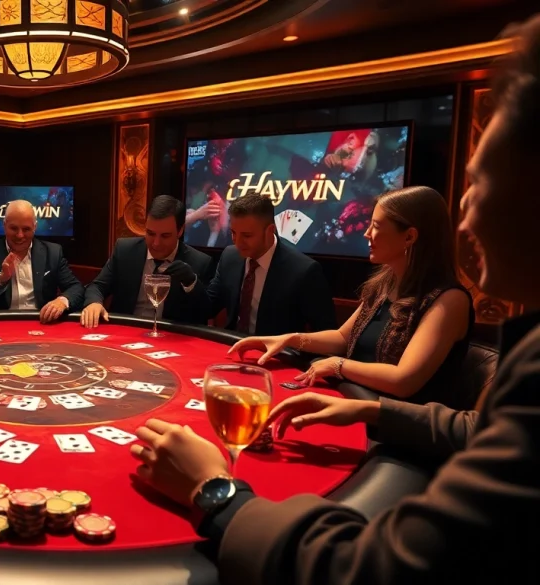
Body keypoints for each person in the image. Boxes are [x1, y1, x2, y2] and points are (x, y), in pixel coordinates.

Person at [129, 14, 540, 584]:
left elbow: (375, 566)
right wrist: (299, 346)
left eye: (480, 180)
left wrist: (217, 492)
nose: (465, 208)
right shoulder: (382, 287)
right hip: (372, 413)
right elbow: (348, 342)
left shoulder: (448, 301)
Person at [228, 186, 472, 407]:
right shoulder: (385, 283)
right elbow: (342, 338)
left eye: (376, 226)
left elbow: (403, 380)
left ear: (409, 237)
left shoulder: (449, 301)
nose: (366, 233)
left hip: (400, 430)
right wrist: (288, 339)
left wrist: (338, 365)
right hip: (354, 403)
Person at [206, 194, 336, 335]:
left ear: (270, 230)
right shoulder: (230, 257)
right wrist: (190, 285)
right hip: (230, 348)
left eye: (247, 236)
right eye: (233, 233)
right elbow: (207, 306)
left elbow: (326, 333)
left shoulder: (304, 271)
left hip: (277, 354)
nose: (237, 242)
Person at [81, 195, 213, 328]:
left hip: (170, 338)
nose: (156, 243)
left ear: (180, 231)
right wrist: (94, 302)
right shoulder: (125, 250)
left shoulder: (199, 262)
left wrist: (190, 283)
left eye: (165, 236)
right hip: (125, 332)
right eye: (150, 233)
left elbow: (205, 313)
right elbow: (97, 286)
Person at [0, 199, 84, 323]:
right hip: (2, 325)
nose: (20, 235)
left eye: (26, 229)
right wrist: (1, 279)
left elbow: (76, 288)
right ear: (4, 225)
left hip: (42, 324)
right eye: (14, 228)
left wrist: (62, 301)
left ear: (35, 227)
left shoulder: (53, 252)